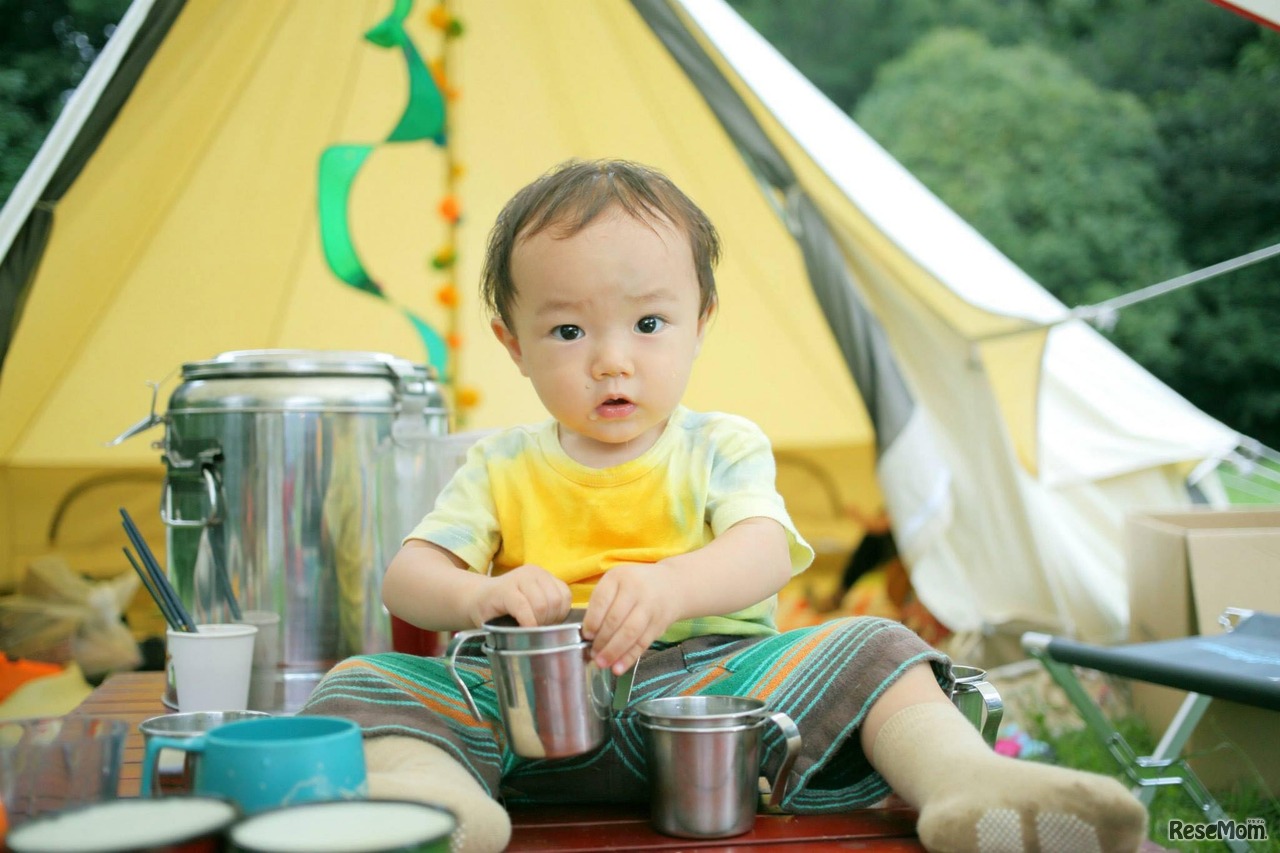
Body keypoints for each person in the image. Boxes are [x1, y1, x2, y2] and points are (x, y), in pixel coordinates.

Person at [300, 159, 1147, 853]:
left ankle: (970, 784)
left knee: (881, 644)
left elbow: (765, 550)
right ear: (511, 344)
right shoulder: (500, 463)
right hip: (529, 707)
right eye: (567, 333)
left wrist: (673, 586)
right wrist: (478, 596)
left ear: (701, 321)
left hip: (716, 697)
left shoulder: (719, 445)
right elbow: (406, 579)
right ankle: (432, 801)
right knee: (364, 677)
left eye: (648, 323)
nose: (610, 362)